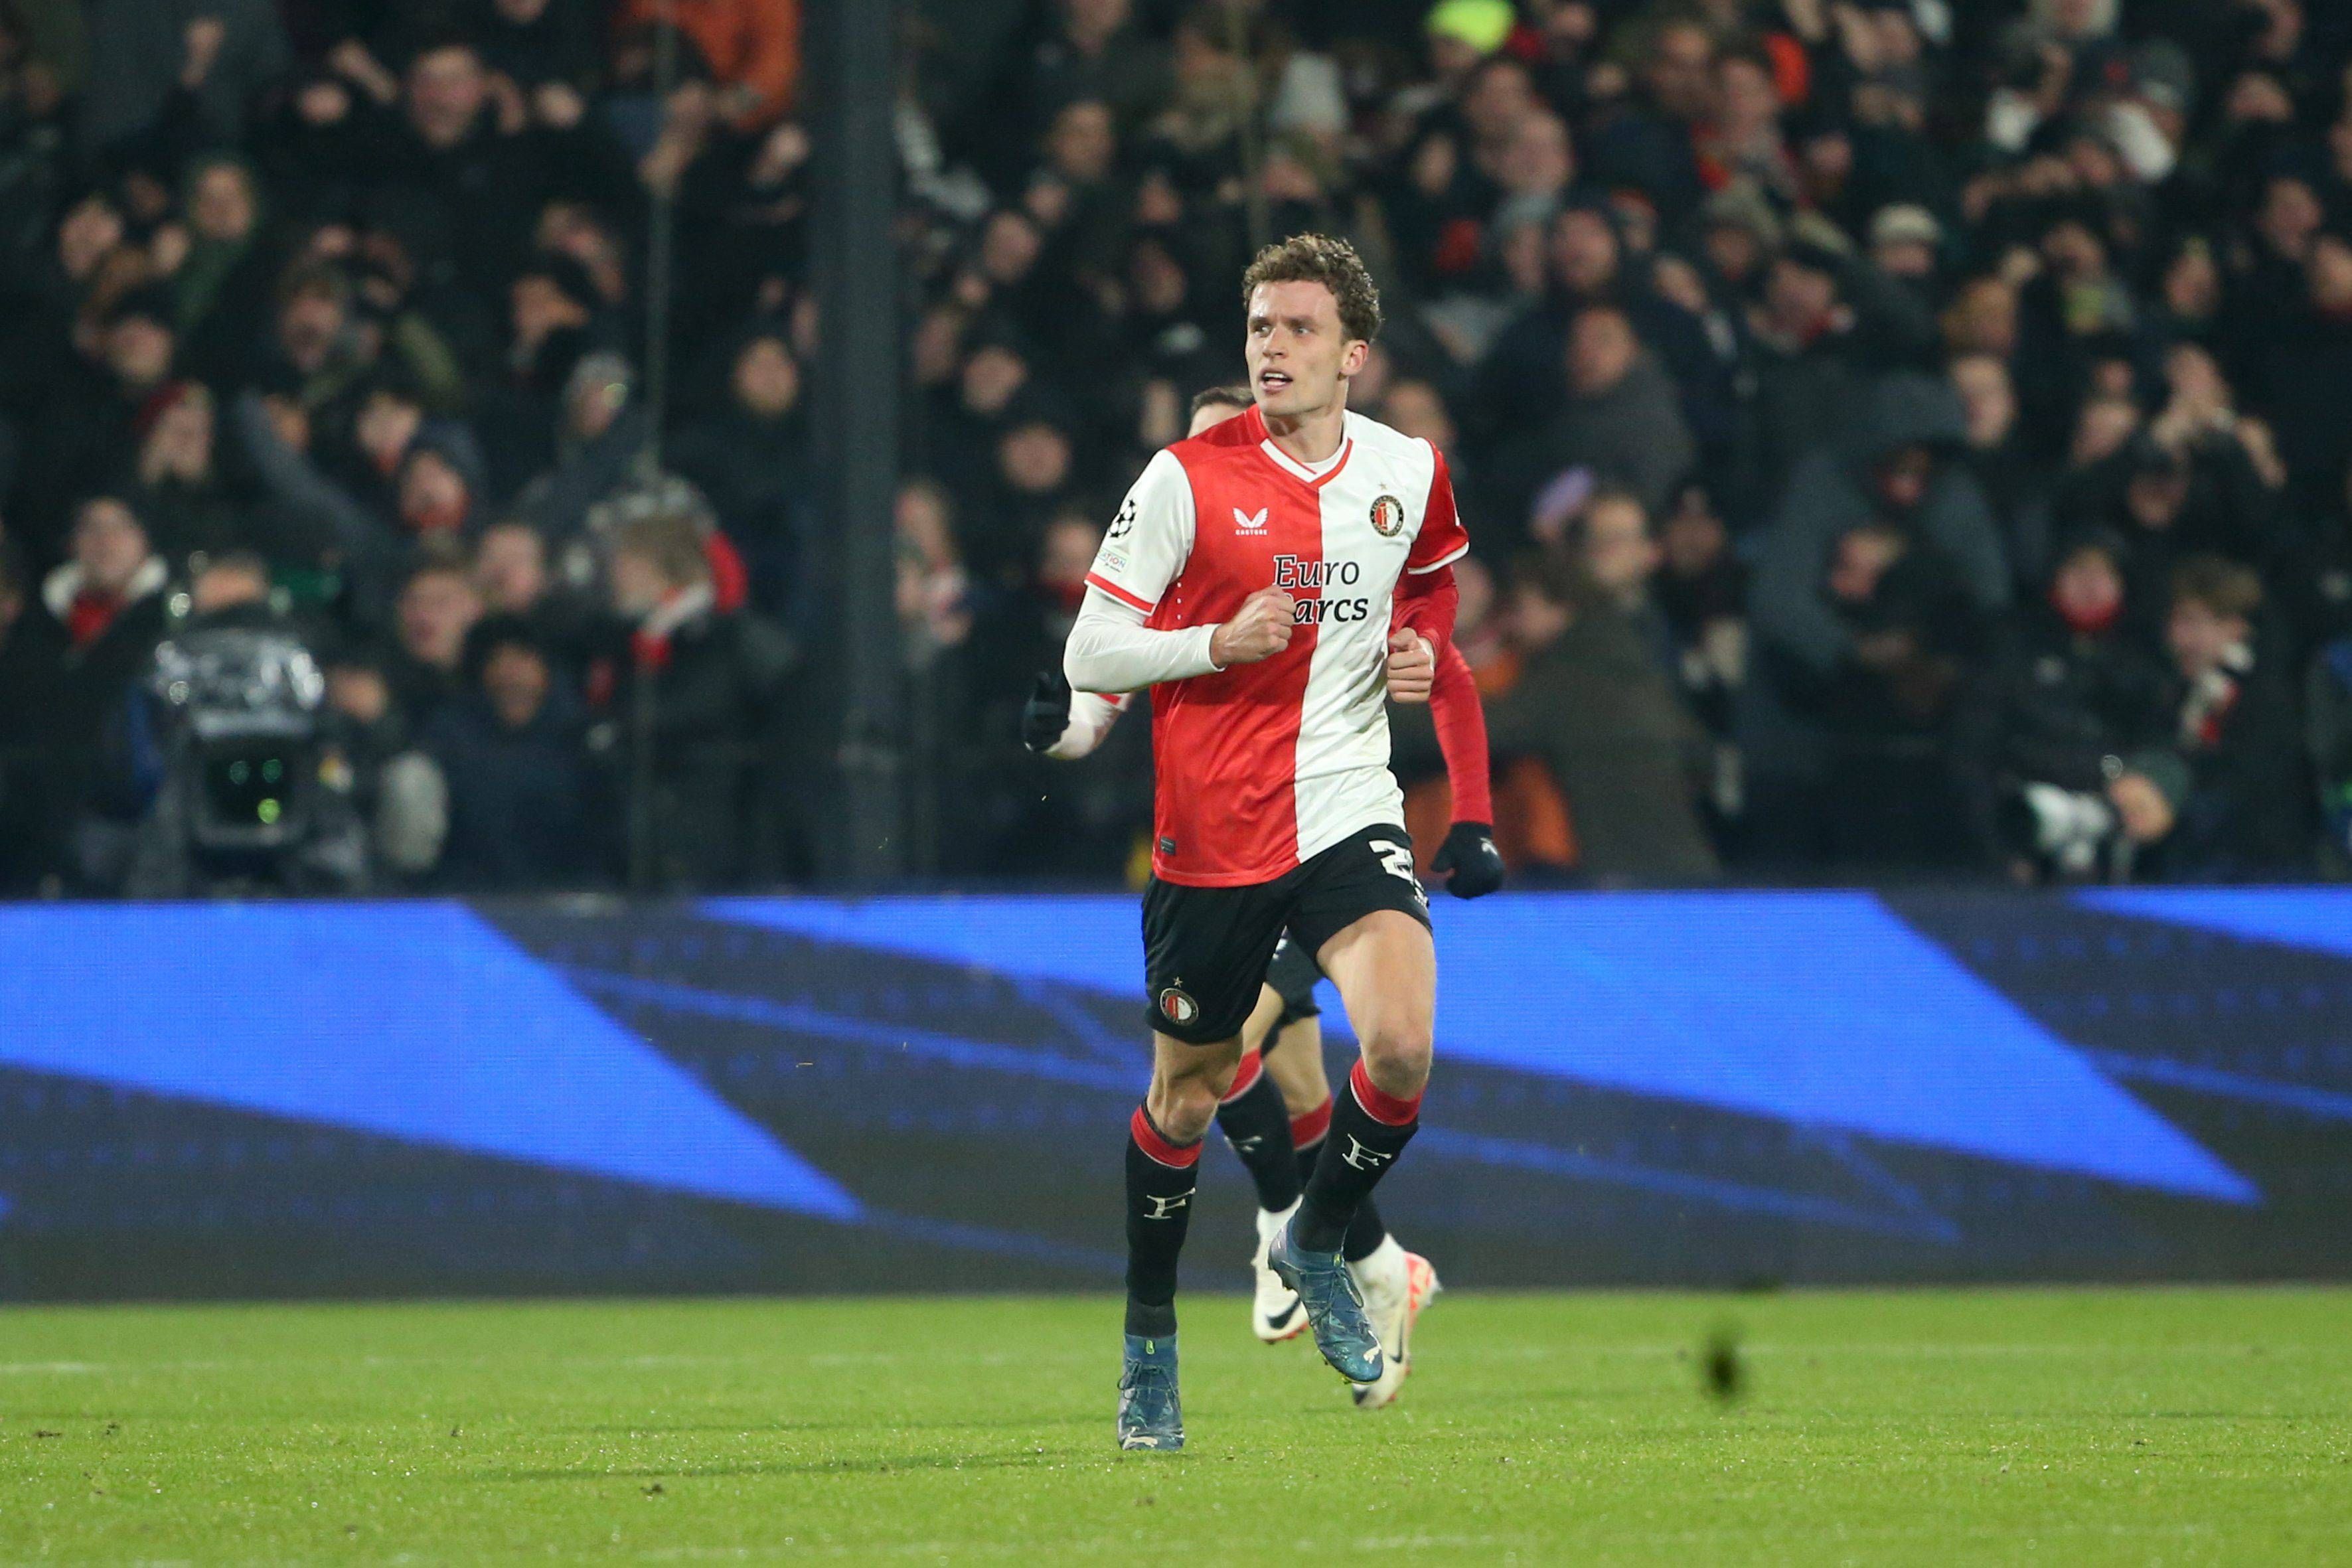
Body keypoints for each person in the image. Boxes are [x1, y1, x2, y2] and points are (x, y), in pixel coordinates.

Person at [1060, 235, 1465, 1452]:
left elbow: (1435, 579)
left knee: (1399, 1043)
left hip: (1347, 805)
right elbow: (1090, 651)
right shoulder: (1185, 477)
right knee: (1182, 1098)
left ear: (1353, 353)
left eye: (1295, 330)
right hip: (1213, 835)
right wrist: (1211, 645)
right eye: (1258, 329)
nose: (1271, 349)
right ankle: (1147, 1346)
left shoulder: (1407, 469)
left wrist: (1424, 650)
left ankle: (1320, 1235)